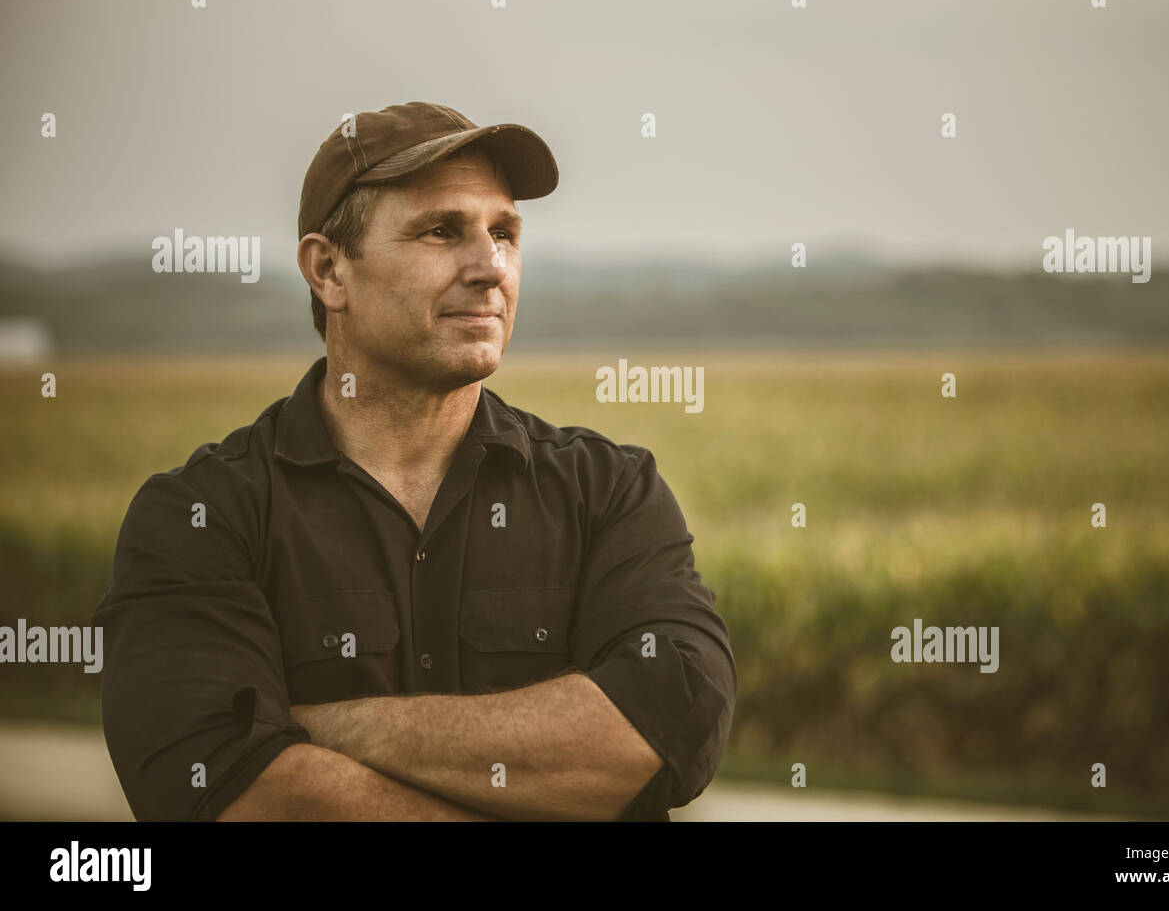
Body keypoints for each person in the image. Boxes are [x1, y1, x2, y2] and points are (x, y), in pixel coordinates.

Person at [93, 102, 736, 821]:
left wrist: (323, 728)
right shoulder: (203, 517)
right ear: (329, 270)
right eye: (441, 231)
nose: (491, 267)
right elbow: (229, 791)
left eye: (505, 232)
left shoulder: (609, 492)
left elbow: (661, 725)